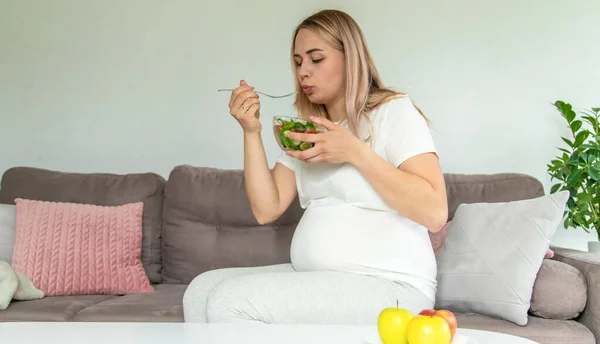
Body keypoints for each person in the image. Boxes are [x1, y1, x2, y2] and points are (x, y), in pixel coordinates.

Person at [182, 8, 448, 325]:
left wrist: (355, 151)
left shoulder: (393, 111)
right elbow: (266, 209)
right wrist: (251, 131)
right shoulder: (310, 130)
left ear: (350, 58)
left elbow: (434, 212)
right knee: (200, 291)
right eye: (298, 62)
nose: (303, 72)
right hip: (322, 279)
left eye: (316, 59)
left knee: (232, 301)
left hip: (393, 286)